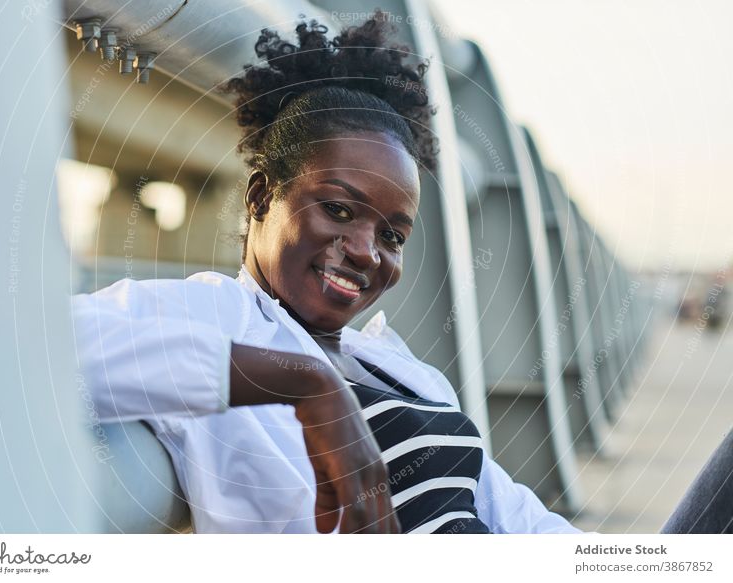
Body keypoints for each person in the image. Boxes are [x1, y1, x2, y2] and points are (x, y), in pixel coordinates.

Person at [71, 12, 731, 534]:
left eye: (393, 234)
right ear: (260, 198)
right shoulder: (219, 319)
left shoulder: (402, 368)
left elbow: (526, 525)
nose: (366, 250)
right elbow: (43, 348)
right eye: (337, 209)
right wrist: (306, 387)